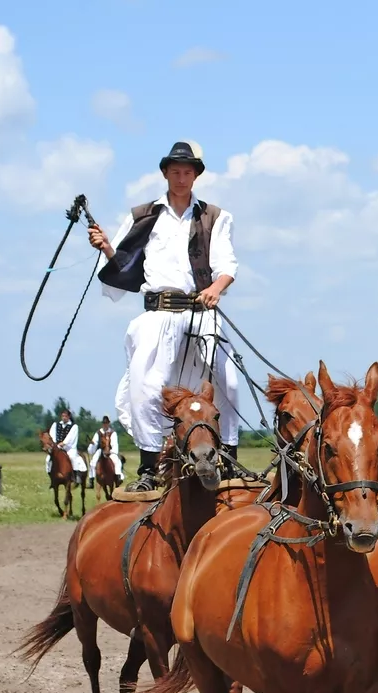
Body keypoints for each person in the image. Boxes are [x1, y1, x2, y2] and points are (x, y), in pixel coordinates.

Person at [87, 141, 242, 494]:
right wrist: (106, 247)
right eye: (175, 172)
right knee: (145, 387)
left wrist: (216, 287)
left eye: (187, 172)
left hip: (201, 313)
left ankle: (229, 456)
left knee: (229, 381)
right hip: (158, 314)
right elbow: (126, 265)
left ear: (196, 175)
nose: (181, 178)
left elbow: (227, 265)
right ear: (165, 174)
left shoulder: (215, 216)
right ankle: (149, 466)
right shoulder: (143, 215)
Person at [46, 408, 88, 486]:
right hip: (57, 446)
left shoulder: (74, 426)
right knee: (48, 459)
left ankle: (75, 476)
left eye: (65, 416)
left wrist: (64, 443)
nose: (64, 418)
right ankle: (52, 478)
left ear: (68, 417)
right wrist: (55, 444)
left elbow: (71, 437)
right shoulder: (55, 425)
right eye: (63, 416)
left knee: (72, 457)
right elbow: (52, 435)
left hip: (69, 447)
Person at [87, 415, 124, 487]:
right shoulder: (98, 433)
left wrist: (111, 451)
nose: (105, 424)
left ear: (108, 423)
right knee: (92, 462)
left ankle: (118, 476)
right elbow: (95, 442)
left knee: (117, 462)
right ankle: (91, 479)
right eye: (104, 423)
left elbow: (114, 444)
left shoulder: (112, 433)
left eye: (106, 423)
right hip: (100, 450)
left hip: (110, 451)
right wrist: (92, 444)